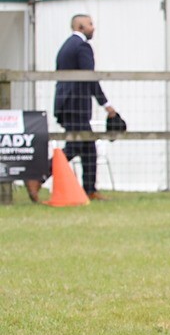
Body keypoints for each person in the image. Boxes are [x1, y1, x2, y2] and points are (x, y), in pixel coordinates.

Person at [38, 14, 118, 202]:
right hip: (75, 105)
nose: (93, 28)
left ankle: (89, 188)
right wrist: (105, 104)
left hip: (66, 103)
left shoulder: (67, 45)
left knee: (88, 147)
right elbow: (89, 76)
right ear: (80, 26)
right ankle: (39, 177)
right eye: (90, 24)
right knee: (75, 146)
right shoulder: (82, 47)